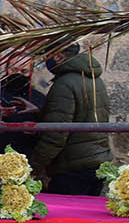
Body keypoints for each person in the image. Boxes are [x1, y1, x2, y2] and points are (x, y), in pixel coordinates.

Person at [27, 42, 112, 194]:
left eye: (47, 56)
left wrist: (33, 167)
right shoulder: (94, 79)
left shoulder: (64, 84)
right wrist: (41, 113)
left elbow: (56, 134)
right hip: (96, 162)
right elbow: (83, 115)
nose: (46, 61)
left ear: (58, 56)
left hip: (73, 166)